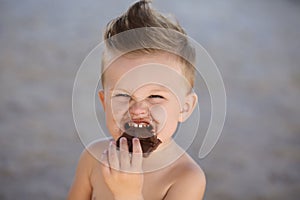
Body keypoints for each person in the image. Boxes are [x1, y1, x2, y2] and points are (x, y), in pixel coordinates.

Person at [68, 1, 206, 199]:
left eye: (155, 96)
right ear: (104, 102)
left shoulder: (186, 178)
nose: (138, 110)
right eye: (123, 95)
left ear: (184, 108)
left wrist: (128, 194)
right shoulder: (93, 158)